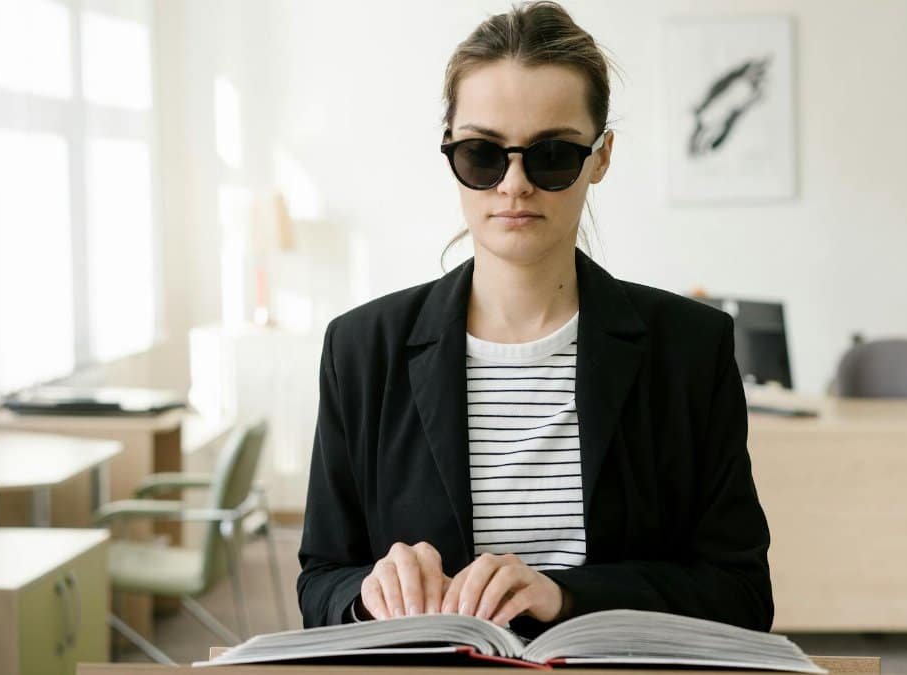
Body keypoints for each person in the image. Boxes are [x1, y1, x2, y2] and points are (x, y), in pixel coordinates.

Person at [297, 0, 773, 636]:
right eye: (482, 155)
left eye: (551, 155)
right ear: (449, 153)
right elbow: (320, 580)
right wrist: (368, 593)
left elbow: (740, 592)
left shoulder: (689, 347)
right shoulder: (361, 349)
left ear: (600, 157)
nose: (514, 184)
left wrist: (568, 597)